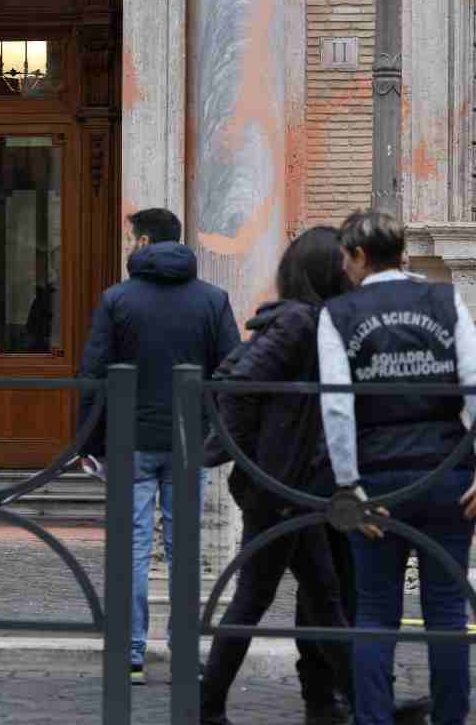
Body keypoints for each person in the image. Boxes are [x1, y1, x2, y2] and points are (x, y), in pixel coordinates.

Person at [318, 210, 476, 725]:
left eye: (345, 255)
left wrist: (349, 486)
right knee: (447, 610)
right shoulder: (444, 298)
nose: (342, 266)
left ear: (360, 256)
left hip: (378, 477)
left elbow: (337, 405)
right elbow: (473, 383)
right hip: (447, 473)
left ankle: (374, 719)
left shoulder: (339, 313)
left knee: (375, 611)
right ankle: (451, 717)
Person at [78, 207, 241, 685]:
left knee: (129, 546)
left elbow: (93, 374)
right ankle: (184, 648)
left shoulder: (117, 300)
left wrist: (88, 443)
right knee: (182, 548)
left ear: (145, 242)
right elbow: (230, 370)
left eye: (132, 237)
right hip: (188, 440)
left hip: (129, 440)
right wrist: (219, 433)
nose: (130, 244)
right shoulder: (212, 300)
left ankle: (130, 652)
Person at [199, 227, 353, 725]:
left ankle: (365, 705)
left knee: (324, 599)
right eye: (346, 261)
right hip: (282, 488)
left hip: (293, 487)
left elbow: (232, 376)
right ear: (329, 270)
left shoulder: (307, 321)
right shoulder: (300, 323)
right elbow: (236, 383)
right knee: (255, 597)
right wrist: (254, 460)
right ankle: (206, 707)